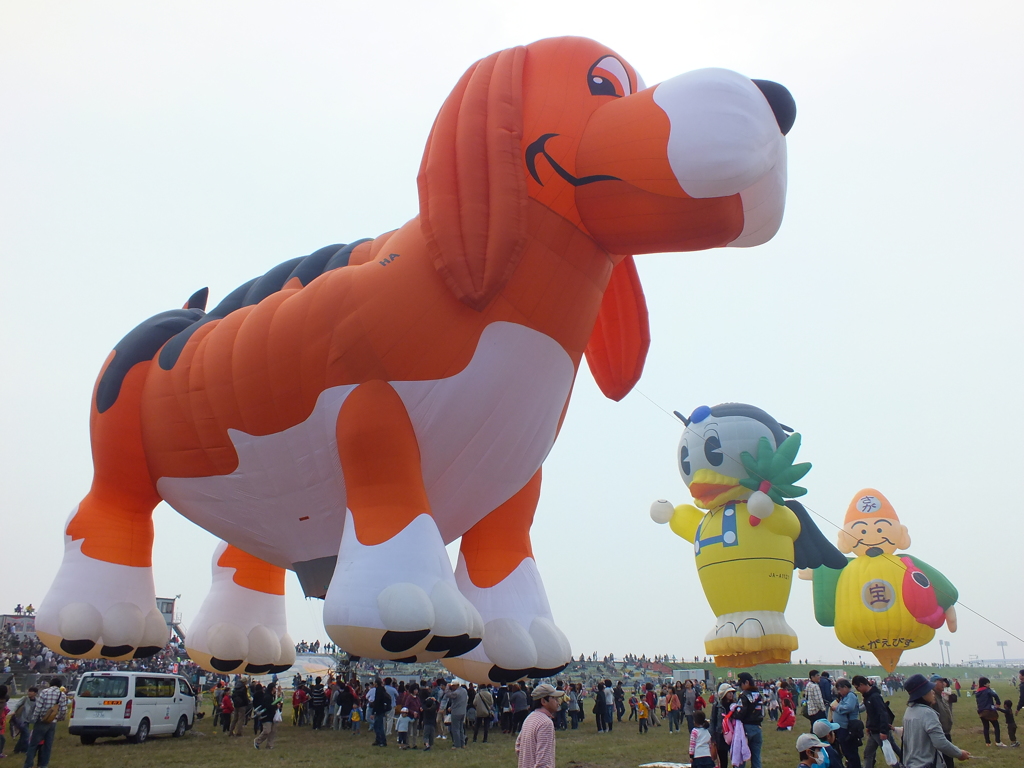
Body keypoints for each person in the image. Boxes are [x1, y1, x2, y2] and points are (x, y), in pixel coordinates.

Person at [900, 674, 969, 767]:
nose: (932, 692)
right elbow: (940, 743)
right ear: (922, 694)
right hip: (927, 764)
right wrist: (960, 753)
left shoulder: (909, 711)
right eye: (929, 690)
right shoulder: (927, 713)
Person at [22, 677, 67, 768]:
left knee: (33, 744)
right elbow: (63, 710)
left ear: (50, 684)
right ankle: (43, 765)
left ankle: (28, 764)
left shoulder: (44, 692)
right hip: (52, 722)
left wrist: (34, 719)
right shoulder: (62, 695)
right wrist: (59, 718)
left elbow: (38, 707)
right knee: (48, 745)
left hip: (42, 720)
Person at [515, 683, 560, 768]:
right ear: (543, 701)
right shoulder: (546, 723)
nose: (557, 702)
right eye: (554, 698)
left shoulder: (530, 718)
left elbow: (518, 746)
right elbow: (543, 762)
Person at [854, 675, 892, 768]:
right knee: (868, 753)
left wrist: (883, 731)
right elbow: (870, 713)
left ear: (862, 684)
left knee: (890, 753)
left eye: (857, 687)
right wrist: (868, 726)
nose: (857, 690)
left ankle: (902, 764)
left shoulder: (875, 697)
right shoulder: (867, 697)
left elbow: (883, 713)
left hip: (880, 731)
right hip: (873, 731)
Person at [734, 672, 764, 768]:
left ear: (746, 682)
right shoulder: (759, 695)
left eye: (741, 684)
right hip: (757, 728)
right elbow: (763, 713)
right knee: (756, 758)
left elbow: (740, 713)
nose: (741, 687)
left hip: (745, 729)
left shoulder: (744, 695)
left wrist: (732, 715)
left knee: (741, 757)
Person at [832, 678, 862, 768]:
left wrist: (836, 708)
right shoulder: (846, 696)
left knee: (850, 750)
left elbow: (849, 707)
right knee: (846, 750)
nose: (839, 692)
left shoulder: (850, 696)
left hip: (847, 728)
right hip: (842, 727)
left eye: (840, 689)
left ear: (845, 687)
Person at [929, 676, 955, 768]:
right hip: (939, 734)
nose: (944, 684)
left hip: (946, 732)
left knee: (949, 759)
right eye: (940, 681)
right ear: (933, 683)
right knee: (943, 760)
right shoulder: (932, 699)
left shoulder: (941, 697)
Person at [975, 676, 1004, 746]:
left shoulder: (977, 692)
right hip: (989, 711)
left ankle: (987, 743)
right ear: (985, 684)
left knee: (986, 727)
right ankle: (998, 742)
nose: (989, 685)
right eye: (988, 683)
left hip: (981, 711)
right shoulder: (987, 690)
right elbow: (995, 695)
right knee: (996, 726)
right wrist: (998, 703)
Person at [254, 683, 283, 750]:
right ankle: (257, 741)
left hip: (273, 715)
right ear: (272, 688)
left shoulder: (273, 696)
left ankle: (269, 745)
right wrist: (276, 706)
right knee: (267, 730)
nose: (275, 689)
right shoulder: (267, 697)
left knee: (272, 731)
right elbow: (268, 706)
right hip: (266, 716)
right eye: (274, 687)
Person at [711, 683, 736, 756]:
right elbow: (713, 721)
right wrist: (713, 737)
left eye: (732, 692)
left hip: (734, 734)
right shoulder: (717, 706)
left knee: (735, 758)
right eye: (729, 692)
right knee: (723, 759)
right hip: (721, 735)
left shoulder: (735, 705)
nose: (731, 694)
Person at [448, 681, 469, 749]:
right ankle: (462, 744)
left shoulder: (456, 692)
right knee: (461, 729)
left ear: (455, 685)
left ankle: (457, 745)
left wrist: (447, 688)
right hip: (463, 712)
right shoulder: (464, 691)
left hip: (456, 712)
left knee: (455, 729)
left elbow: (449, 695)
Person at [370, 680, 391, 747]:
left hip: (379, 710)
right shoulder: (382, 690)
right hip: (382, 710)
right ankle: (379, 740)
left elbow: (377, 702)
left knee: (378, 726)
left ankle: (382, 740)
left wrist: (373, 712)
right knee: (378, 725)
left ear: (376, 683)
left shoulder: (378, 691)